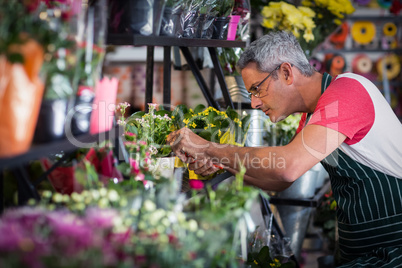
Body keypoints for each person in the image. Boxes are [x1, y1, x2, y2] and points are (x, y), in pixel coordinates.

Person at [167, 31, 402, 267]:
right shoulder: (315, 114)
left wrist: (208, 148)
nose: (254, 103)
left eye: (257, 89)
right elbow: (280, 181)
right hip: (366, 250)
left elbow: (288, 167)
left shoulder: (347, 93)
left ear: (287, 73)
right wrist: (220, 163)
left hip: (392, 249)